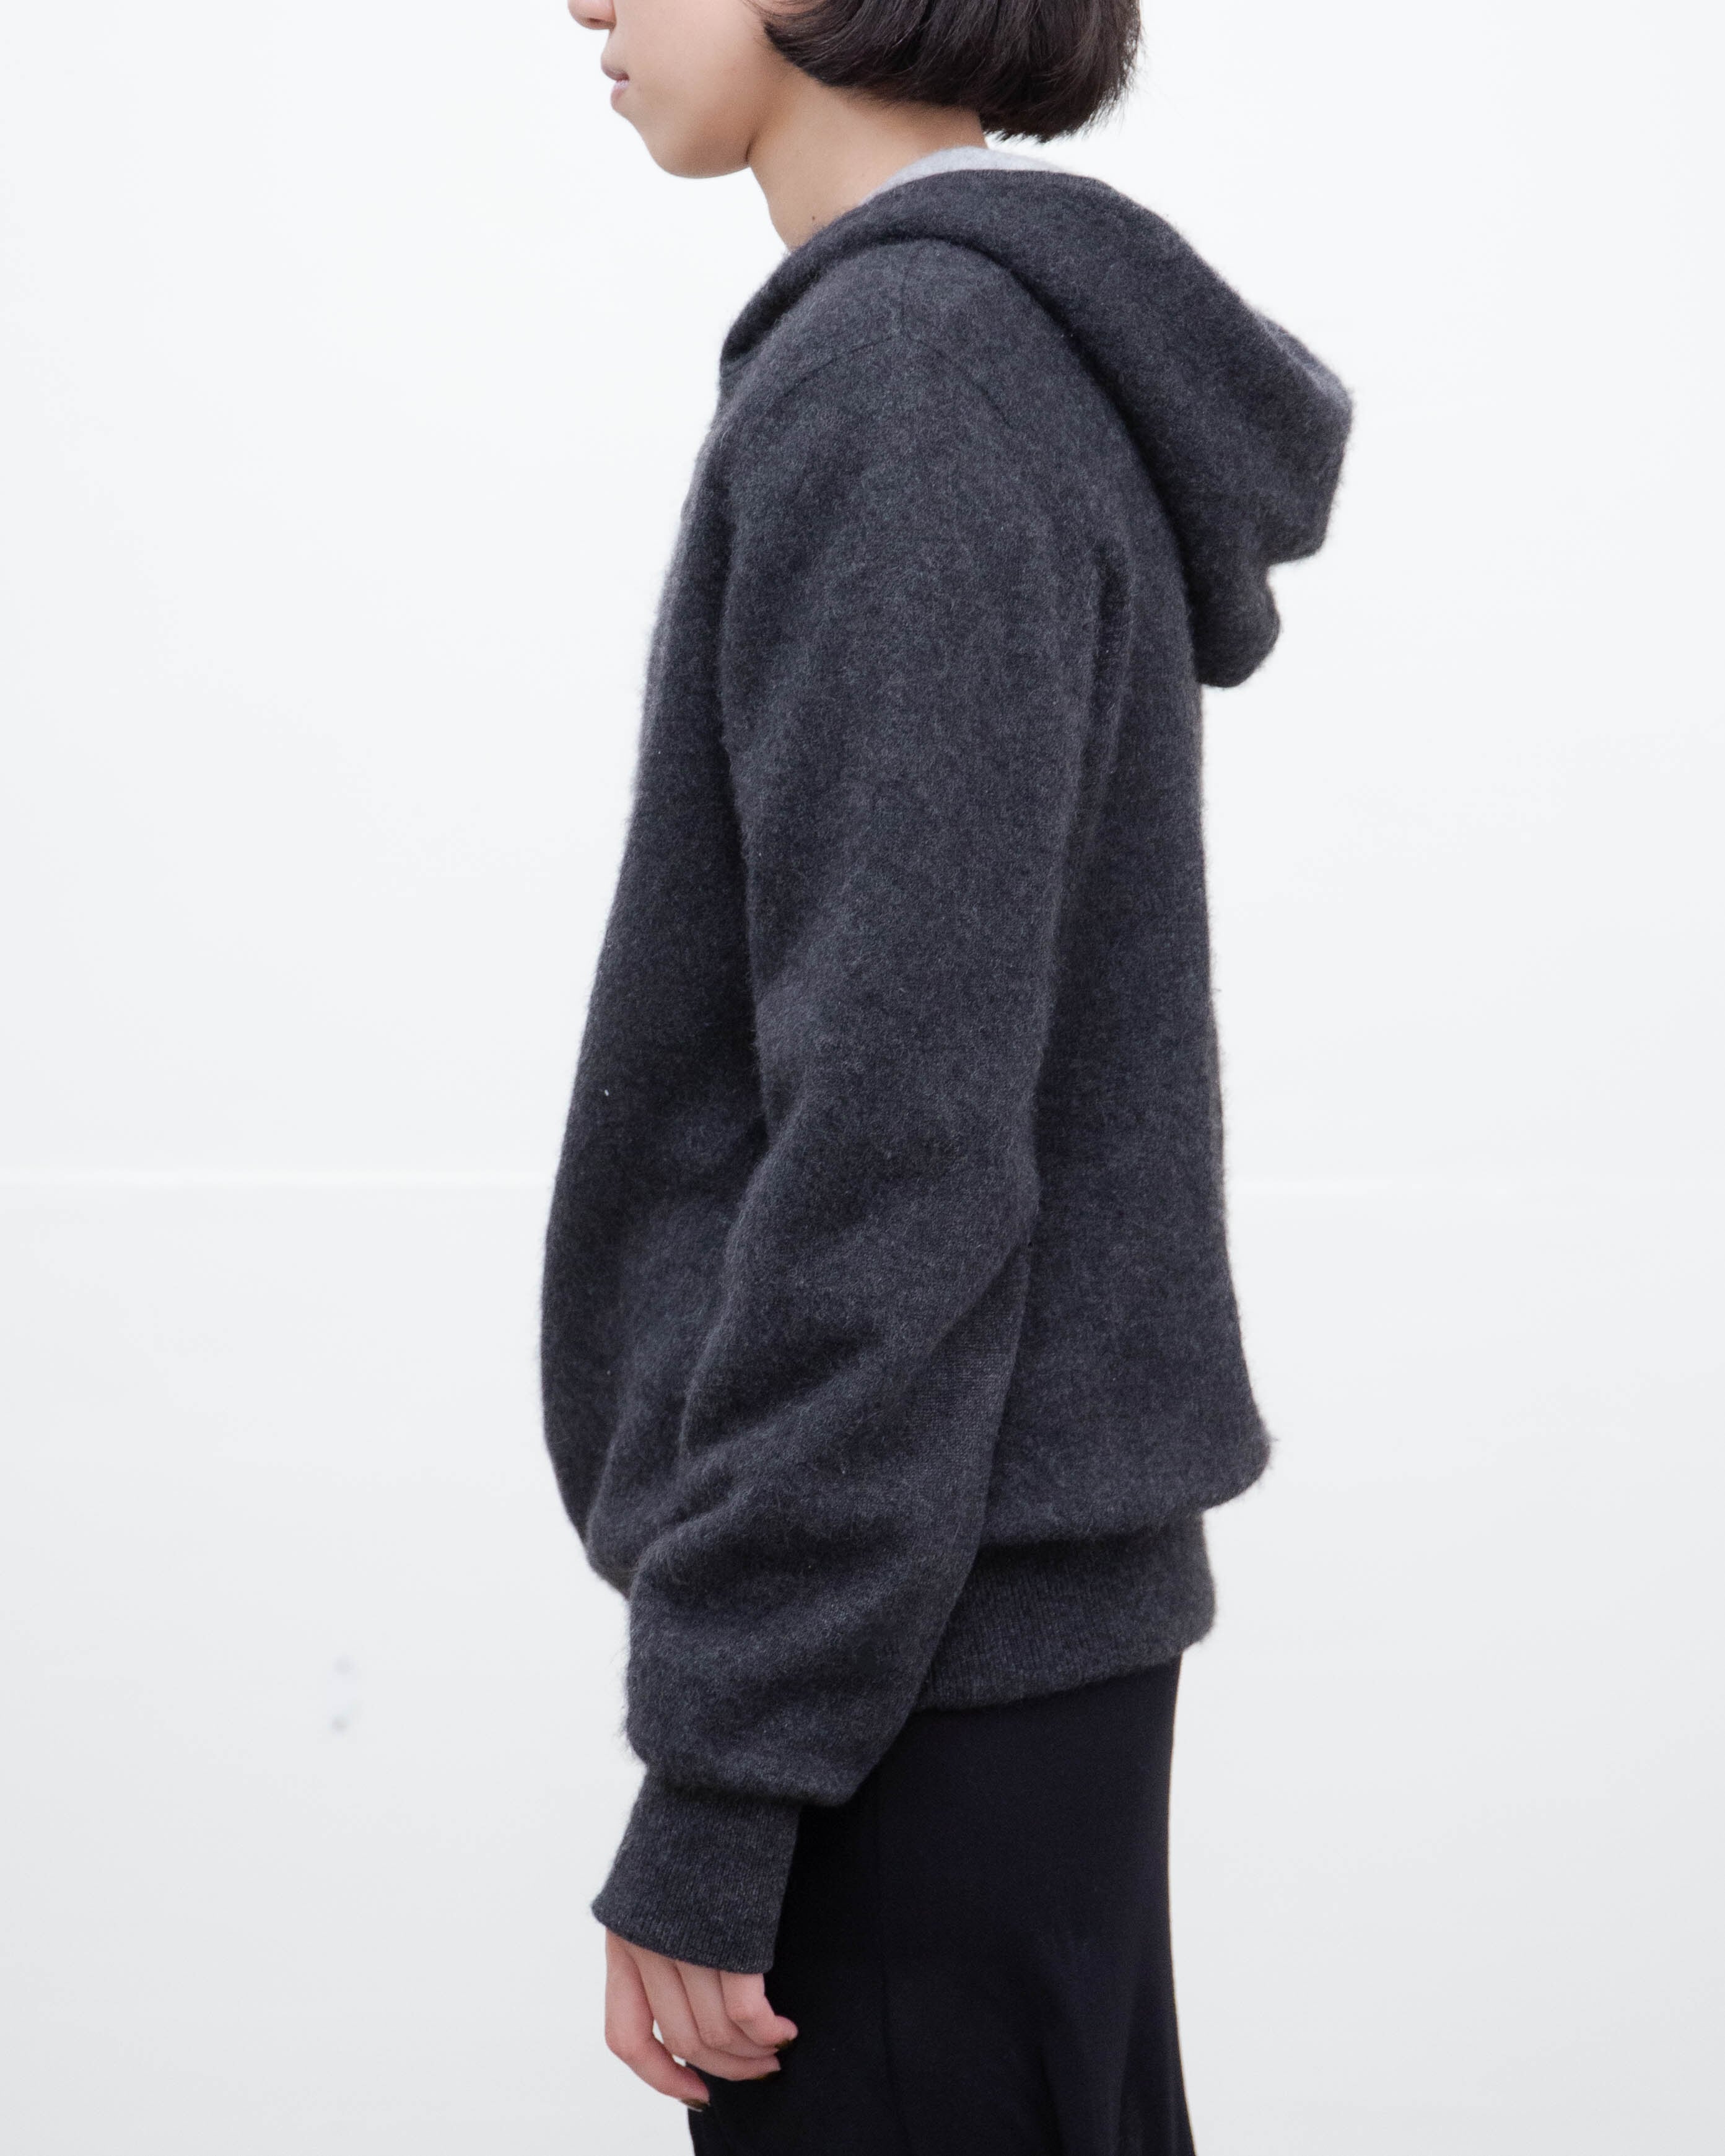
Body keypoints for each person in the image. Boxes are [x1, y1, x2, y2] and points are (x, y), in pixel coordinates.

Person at [541, 0, 1350, 2144]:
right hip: (965, 1641)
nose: (584, 2)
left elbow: (895, 1150)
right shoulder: (974, 354)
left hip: (904, 1676)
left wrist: (728, 1770)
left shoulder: (907, 378)